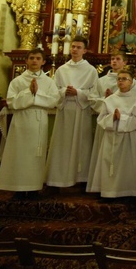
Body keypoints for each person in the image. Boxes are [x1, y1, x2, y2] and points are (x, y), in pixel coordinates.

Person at [0, 50, 61, 197]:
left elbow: (54, 100)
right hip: (21, 121)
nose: (34, 61)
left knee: (35, 154)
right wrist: (28, 93)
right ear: (26, 60)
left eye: (38, 58)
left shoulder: (49, 82)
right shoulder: (17, 81)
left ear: (43, 62)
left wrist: (37, 94)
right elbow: (11, 102)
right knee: (18, 154)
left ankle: (33, 188)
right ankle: (17, 188)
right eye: (31, 58)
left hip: (38, 121)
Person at [46, 36, 99, 188]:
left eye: (78, 47)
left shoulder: (90, 71)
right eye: (73, 47)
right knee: (62, 144)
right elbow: (54, 90)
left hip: (81, 110)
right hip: (64, 110)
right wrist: (64, 92)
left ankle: (80, 179)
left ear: (85, 50)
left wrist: (79, 92)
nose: (75, 50)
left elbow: (94, 93)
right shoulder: (62, 70)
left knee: (80, 143)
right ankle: (57, 178)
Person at [89, 67, 136, 198]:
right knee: (109, 164)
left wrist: (122, 119)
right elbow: (101, 119)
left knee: (126, 165)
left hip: (127, 138)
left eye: (124, 79)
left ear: (131, 82)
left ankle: (126, 192)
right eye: (119, 79)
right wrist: (112, 118)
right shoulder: (109, 100)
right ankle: (108, 192)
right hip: (110, 136)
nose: (121, 81)